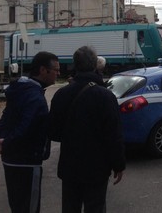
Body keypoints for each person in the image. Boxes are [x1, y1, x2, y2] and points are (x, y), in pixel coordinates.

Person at [49, 46, 125, 212]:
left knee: (70, 207)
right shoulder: (106, 96)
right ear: (94, 66)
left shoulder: (61, 94)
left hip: (69, 167)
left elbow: (53, 132)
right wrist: (118, 165)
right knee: (95, 207)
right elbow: (114, 135)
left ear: (74, 66)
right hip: (97, 168)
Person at [0, 51, 60, 213]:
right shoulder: (35, 97)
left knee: (17, 206)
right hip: (27, 162)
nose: (59, 73)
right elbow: (26, 127)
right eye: (55, 70)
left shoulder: (21, 90)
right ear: (43, 70)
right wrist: (6, 142)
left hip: (11, 159)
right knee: (28, 208)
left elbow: (5, 119)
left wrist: (1, 139)